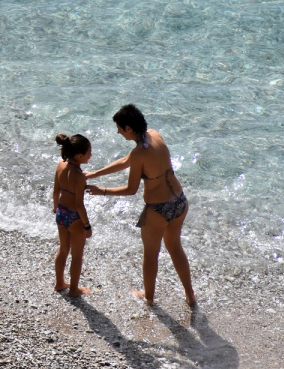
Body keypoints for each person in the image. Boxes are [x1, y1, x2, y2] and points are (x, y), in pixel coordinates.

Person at [85, 104, 196, 306]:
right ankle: (190, 295)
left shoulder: (139, 153)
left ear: (128, 128)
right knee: (175, 248)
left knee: (151, 255)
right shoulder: (155, 135)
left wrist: (100, 190)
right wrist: (94, 173)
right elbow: (126, 160)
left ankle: (150, 297)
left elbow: (131, 189)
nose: (117, 132)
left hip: (158, 209)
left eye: (119, 128)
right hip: (179, 202)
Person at [52, 133, 93, 297]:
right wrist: (87, 225)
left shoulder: (61, 165)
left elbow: (56, 191)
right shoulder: (79, 176)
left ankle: (59, 282)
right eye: (89, 152)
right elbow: (78, 204)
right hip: (74, 218)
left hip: (61, 212)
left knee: (63, 249)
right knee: (77, 256)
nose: (91, 155)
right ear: (80, 155)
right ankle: (74, 289)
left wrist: (55, 208)